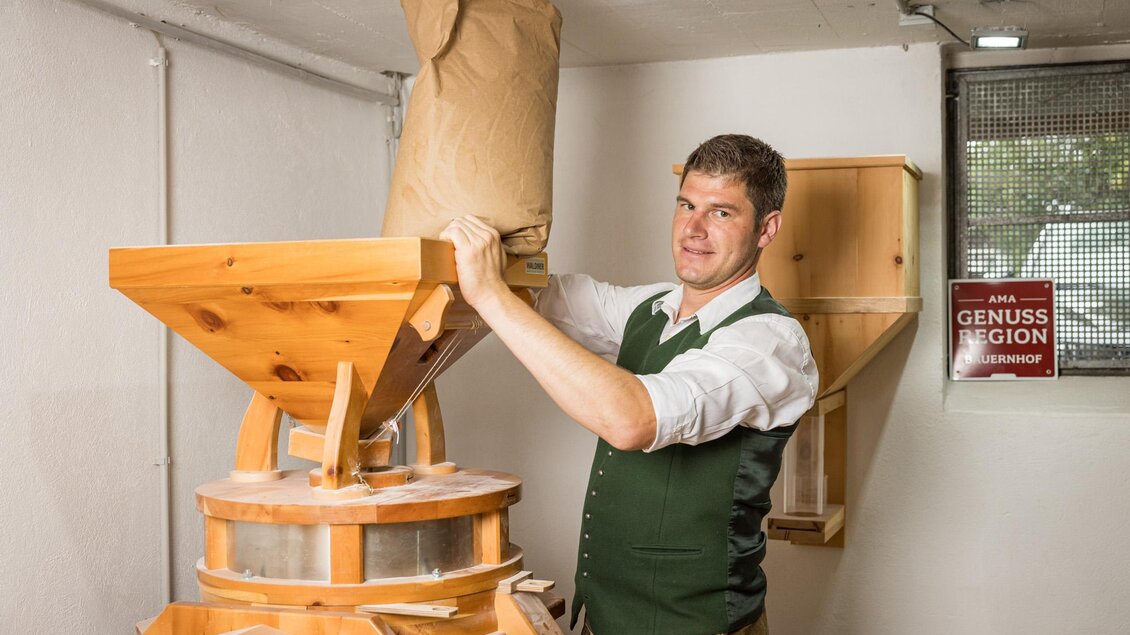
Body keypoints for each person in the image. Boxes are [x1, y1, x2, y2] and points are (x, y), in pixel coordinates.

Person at [440, 134, 818, 635]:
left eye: (721, 213)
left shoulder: (769, 340)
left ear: (767, 228)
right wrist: (485, 245)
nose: (694, 228)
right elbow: (539, 295)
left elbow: (633, 419)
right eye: (686, 205)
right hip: (606, 617)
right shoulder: (652, 307)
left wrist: (489, 295)